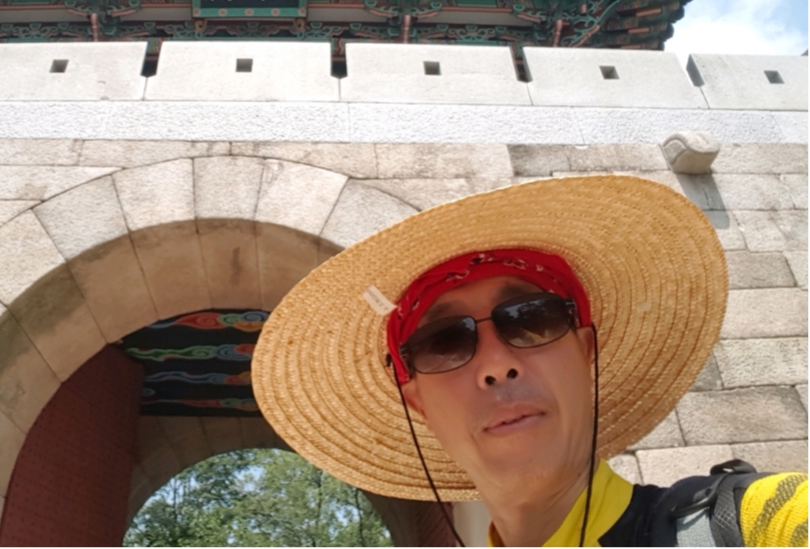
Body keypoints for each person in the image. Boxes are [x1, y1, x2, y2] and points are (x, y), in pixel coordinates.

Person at [252, 175, 807, 546]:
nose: (496, 364)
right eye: (444, 341)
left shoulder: (756, 521)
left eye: (531, 317)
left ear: (585, 352)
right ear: (415, 400)